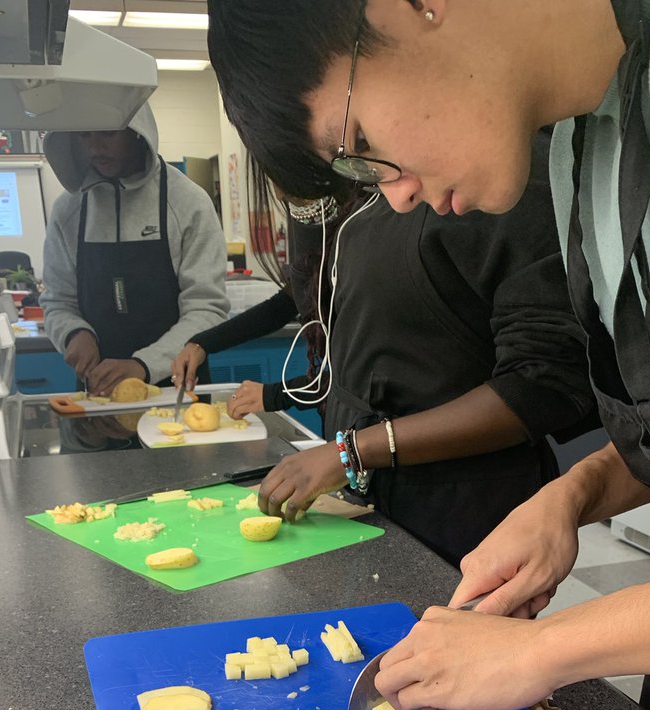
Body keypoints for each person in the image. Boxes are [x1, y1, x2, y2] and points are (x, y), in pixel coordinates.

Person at [207, 0, 650, 710]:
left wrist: (549, 649)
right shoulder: (577, 142)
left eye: (362, 146)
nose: (398, 195)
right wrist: (574, 497)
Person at [174, 151, 598, 566]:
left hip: (461, 505)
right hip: (375, 491)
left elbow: (541, 385)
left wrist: (352, 450)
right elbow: (329, 334)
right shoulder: (362, 211)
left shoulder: (507, 189)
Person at [41, 104, 229, 451]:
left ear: (136, 132)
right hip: (96, 408)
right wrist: (73, 333)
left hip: (178, 402)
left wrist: (143, 365)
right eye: (85, 136)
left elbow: (207, 310)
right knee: (95, 501)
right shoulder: (69, 210)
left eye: (107, 134)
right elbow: (57, 301)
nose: (95, 147)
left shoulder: (187, 203)